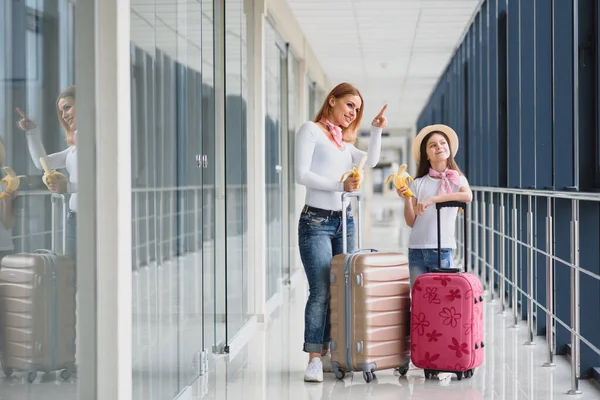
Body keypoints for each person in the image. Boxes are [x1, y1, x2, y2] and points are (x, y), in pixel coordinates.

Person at [295, 82, 387, 383]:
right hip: (316, 223)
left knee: (341, 289)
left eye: (357, 110)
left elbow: (370, 161)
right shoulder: (310, 130)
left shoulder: (343, 144)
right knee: (321, 289)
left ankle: (332, 352)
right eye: (349, 105)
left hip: (344, 221)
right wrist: (339, 186)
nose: (353, 113)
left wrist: (375, 130)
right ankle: (313, 358)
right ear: (332, 100)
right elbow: (301, 174)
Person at [396, 124, 472, 287]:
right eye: (433, 145)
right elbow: (411, 222)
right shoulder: (418, 183)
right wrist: (407, 198)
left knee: (442, 299)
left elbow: (467, 196)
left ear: (449, 148)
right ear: (426, 154)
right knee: (418, 298)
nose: (439, 146)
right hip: (416, 248)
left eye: (443, 143)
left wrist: (432, 200)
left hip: (442, 248)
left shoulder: (457, 179)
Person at [16, 85, 78, 257]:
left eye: (67, 107)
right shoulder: (73, 150)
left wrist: (68, 187)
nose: (64, 115)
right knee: (75, 273)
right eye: (61, 111)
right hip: (74, 219)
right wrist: (32, 132)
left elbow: (101, 182)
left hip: (94, 218)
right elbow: (42, 163)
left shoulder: (97, 142)